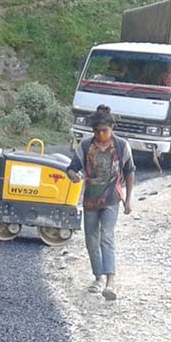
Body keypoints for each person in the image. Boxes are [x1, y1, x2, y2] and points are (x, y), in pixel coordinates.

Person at [67, 110, 135, 301]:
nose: (100, 135)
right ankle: (98, 277)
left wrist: (128, 199)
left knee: (107, 236)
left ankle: (110, 282)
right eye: (96, 131)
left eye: (104, 131)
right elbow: (72, 168)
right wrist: (74, 176)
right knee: (91, 239)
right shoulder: (86, 145)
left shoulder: (121, 146)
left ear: (111, 129)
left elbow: (129, 172)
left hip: (112, 199)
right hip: (90, 200)